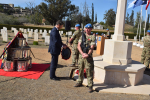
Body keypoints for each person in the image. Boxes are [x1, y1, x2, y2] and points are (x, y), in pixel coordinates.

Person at [74, 23, 95, 93]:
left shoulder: (92, 37)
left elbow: (92, 47)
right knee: (80, 68)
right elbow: (78, 45)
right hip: (81, 56)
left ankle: (90, 85)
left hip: (88, 57)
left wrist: (88, 54)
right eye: (86, 28)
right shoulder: (82, 35)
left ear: (91, 29)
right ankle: (80, 81)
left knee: (89, 71)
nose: (87, 29)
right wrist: (82, 53)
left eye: (89, 28)